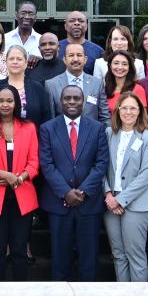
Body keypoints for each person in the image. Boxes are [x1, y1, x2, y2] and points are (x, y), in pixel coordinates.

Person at [38, 85, 110, 281]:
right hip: (58, 202)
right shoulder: (47, 128)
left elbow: (101, 163)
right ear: (61, 102)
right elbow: (47, 163)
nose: (71, 102)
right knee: (60, 257)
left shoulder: (97, 128)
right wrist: (66, 192)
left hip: (89, 204)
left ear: (83, 102)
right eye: (67, 98)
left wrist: (83, 192)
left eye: (76, 98)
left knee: (89, 258)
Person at [0, 84, 39, 281]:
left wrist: (19, 178)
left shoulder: (28, 127)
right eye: (1, 101)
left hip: (22, 194)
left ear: (16, 103)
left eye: (9, 101)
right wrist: (3, 174)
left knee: (20, 249)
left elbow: (34, 163)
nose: (5, 105)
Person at [103, 93, 148, 282]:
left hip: (138, 202)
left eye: (133, 108)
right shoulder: (109, 133)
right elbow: (101, 166)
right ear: (117, 110)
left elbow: (146, 175)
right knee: (118, 254)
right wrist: (108, 194)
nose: (128, 112)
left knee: (135, 254)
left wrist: (120, 199)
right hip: (111, 201)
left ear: (139, 112)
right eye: (124, 107)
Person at [46, 40, 111, 127]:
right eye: (71, 55)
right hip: (62, 137)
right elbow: (50, 119)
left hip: (92, 138)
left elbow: (104, 117)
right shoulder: (51, 85)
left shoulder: (97, 83)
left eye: (79, 55)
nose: (75, 59)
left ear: (85, 59)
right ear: (64, 60)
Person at [0, 45, 50, 125]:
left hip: (32, 136)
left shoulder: (37, 88)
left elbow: (46, 118)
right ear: (6, 62)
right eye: (11, 59)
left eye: (19, 59)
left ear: (26, 63)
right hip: (0, 135)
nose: (15, 62)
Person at [103, 49, 148, 118]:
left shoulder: (138, 89)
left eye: (124, 64)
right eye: (116, 63)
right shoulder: (104, 90)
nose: (120, 67)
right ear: (110, 65)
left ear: (129, 67)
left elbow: (143, 118)